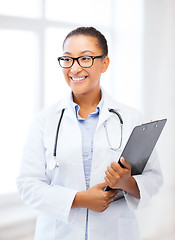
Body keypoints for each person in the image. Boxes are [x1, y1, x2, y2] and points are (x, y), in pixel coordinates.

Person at [17, 27, 163, 240]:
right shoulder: (44, 120)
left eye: (85, 58)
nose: (74, 68)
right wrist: (79, 199)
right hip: (59, 233)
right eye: (68, 59)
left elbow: (154, 178)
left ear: (104, 63)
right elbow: (27, 185)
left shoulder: (131, 117)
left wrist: (126, 183)